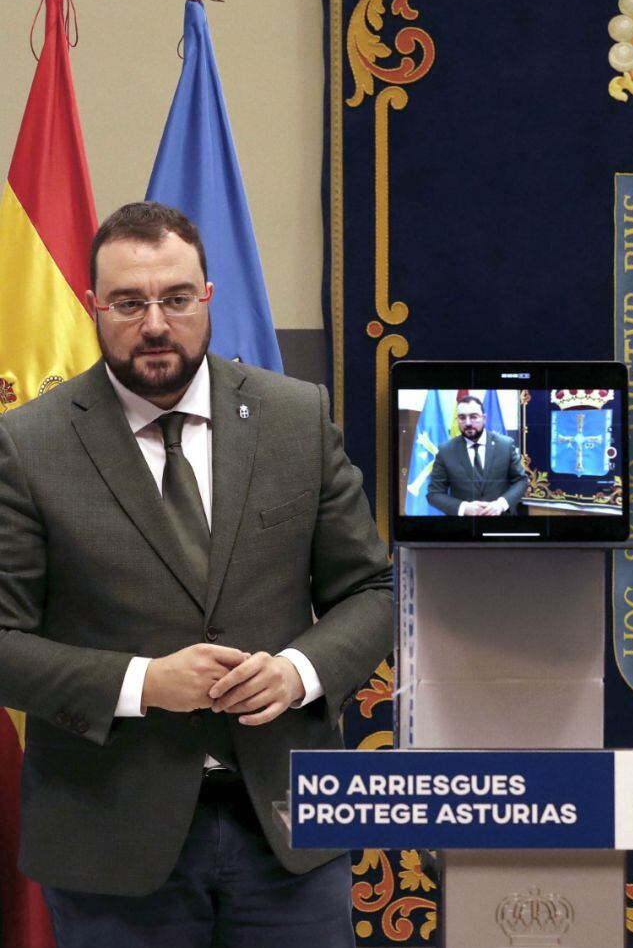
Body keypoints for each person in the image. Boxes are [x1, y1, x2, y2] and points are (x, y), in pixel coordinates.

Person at [0, 202, 392, 948]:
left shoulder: (294, 418)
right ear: (93, 307)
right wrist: (142, 684)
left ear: (207, 296)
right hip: (109, 837)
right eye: (128, 302)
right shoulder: (27, 445)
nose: (155, 323)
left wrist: (299, 671)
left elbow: (367, 592)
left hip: (288, 831)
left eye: (176, 299)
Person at [426, 395, 528, 516]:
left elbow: (521, 481)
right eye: (462, 418)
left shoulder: (505, 445)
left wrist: (501, 504)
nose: (468, 423)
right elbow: (434, 494)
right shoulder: (445, 451)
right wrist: (463, 508)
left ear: (484, 418)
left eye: (473, 417)